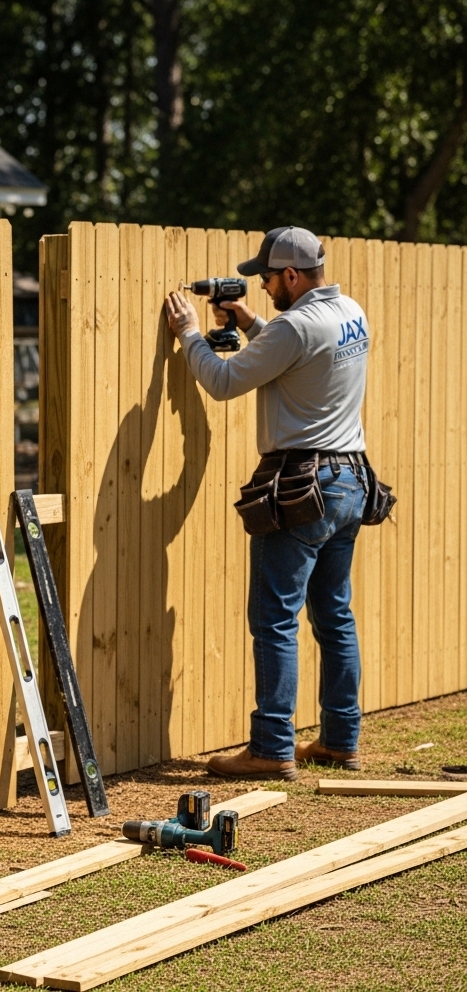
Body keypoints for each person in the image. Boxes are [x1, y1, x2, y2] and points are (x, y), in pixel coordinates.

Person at [164, 226, 371, 781]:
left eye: (269, 279)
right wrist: (252, 323)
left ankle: (272, 747)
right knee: (334, 614)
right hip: (351, 480)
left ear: (293, 276)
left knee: (276, 618)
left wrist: (190, 334)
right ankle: (339, 739)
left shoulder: (296, 326)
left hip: (303, 485)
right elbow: (297, 354)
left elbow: (226, 382)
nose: (264, 288)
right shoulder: (349, 311)